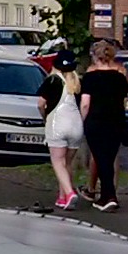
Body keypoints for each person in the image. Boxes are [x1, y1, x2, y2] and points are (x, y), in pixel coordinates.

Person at [78, 40, 128, 212]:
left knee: (100, 159)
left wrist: (82, 121)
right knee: (109, 158)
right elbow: (123, 102)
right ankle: (107, 195)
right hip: (116, 121)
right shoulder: (120, 78)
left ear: (95, 57)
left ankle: (109, 197)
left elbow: (85, 104)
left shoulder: (90, 77)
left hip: (96, 121)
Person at [43, 52, 87, 211]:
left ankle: (69, 193)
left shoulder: (52, 80)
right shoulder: (77, 83)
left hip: (58, 123)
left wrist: (44, 116)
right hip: (76, 125)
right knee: (68, 163)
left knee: (57, 161)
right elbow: (84, 105)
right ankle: (62, 197)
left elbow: (41, 103)